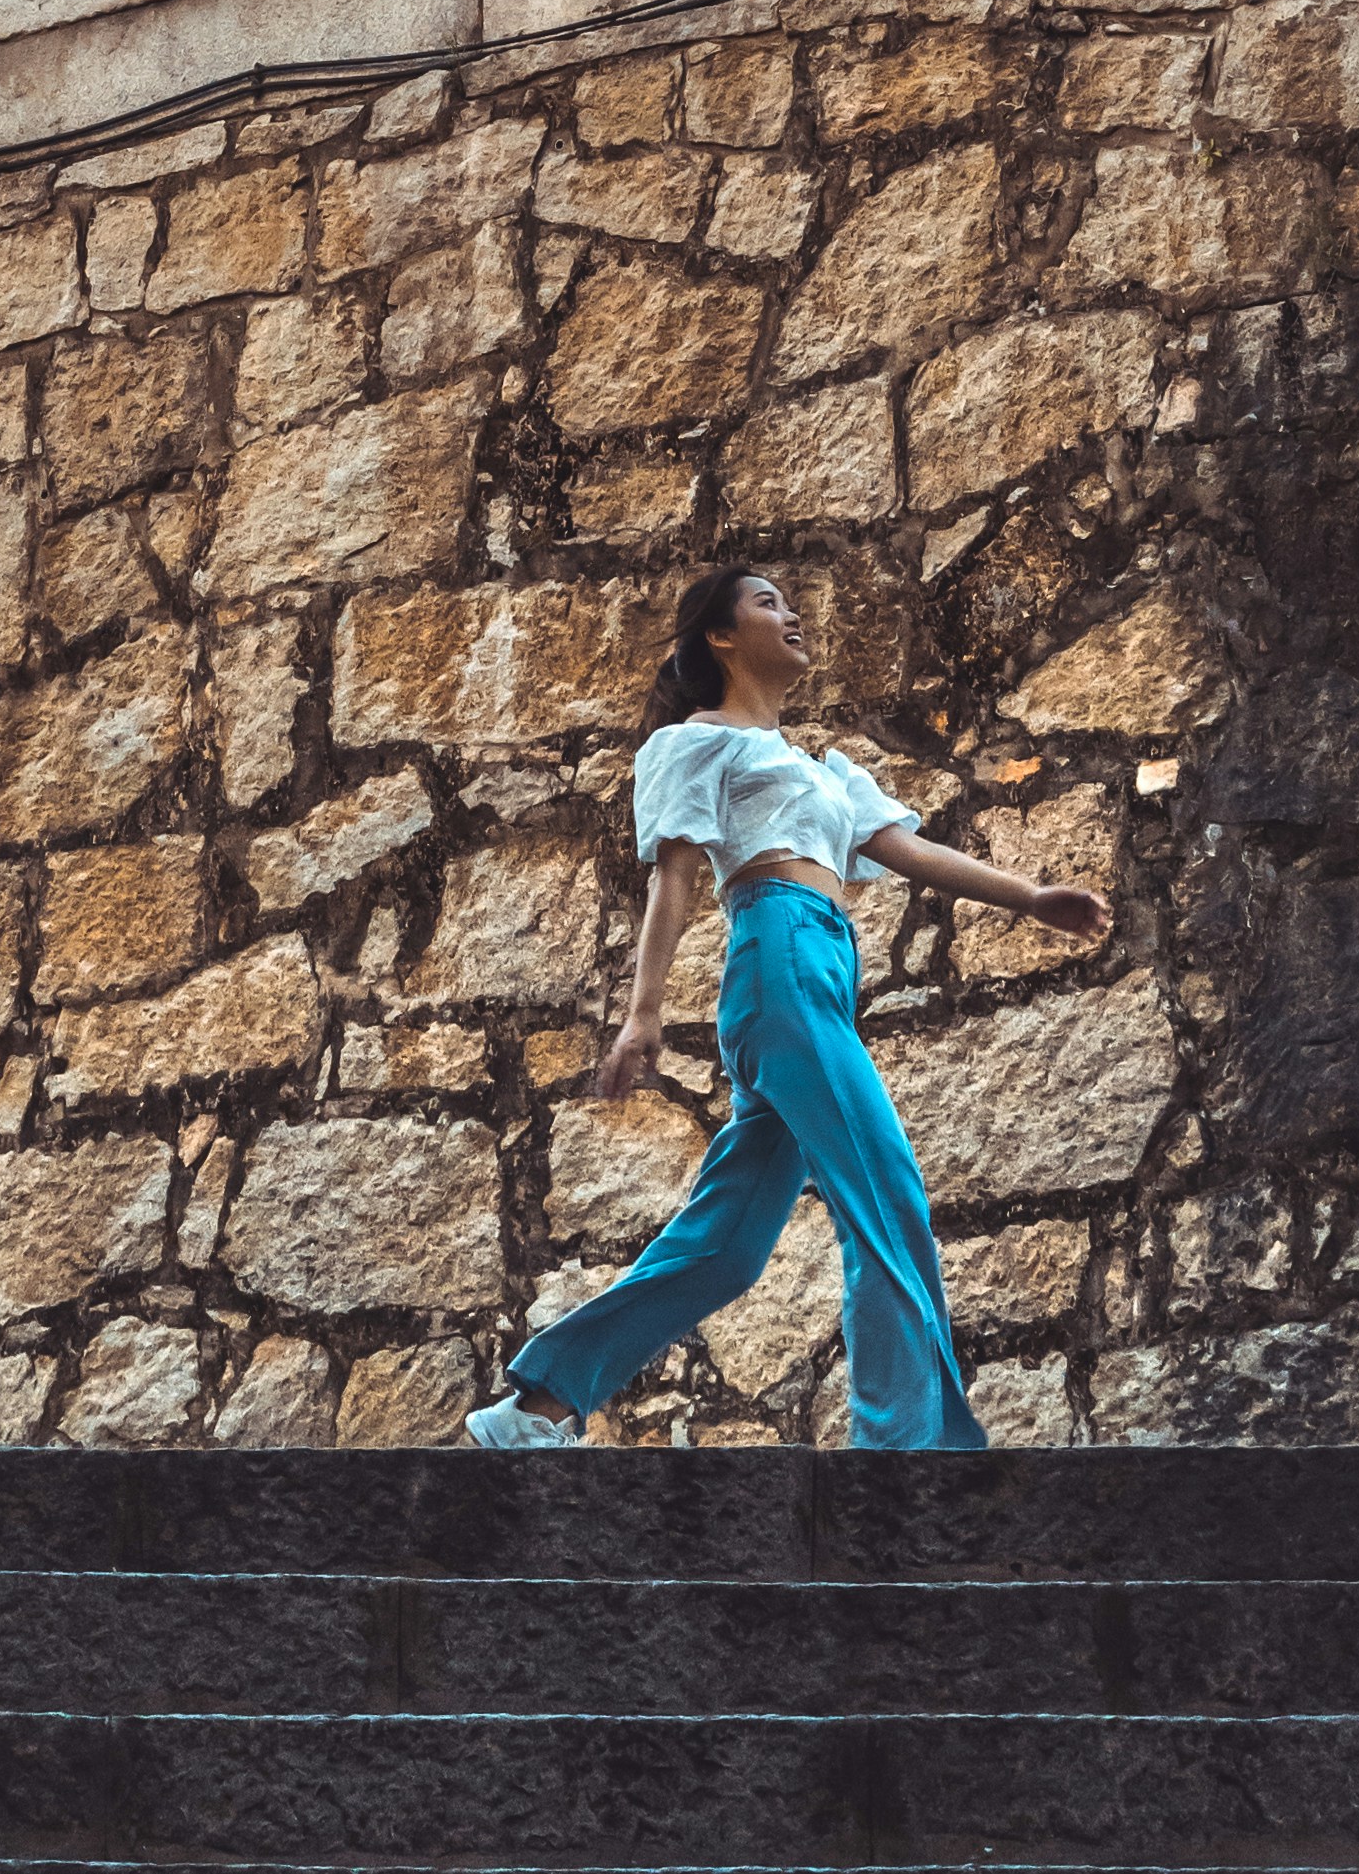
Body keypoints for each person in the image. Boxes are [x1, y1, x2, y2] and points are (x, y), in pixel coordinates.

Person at [465, 562, 1113, 1455]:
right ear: (721, 636)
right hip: (778, 958)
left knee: (728, 1246)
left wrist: (1031, 895)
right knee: (886, 1195)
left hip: (818, 975)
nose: (793, 611)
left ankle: (537, 1407)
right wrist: (642, 1011)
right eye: (766, 601)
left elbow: (904, 848)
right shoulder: (695, 741)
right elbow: (677, 875)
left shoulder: (820, 770)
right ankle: (904, 1456)